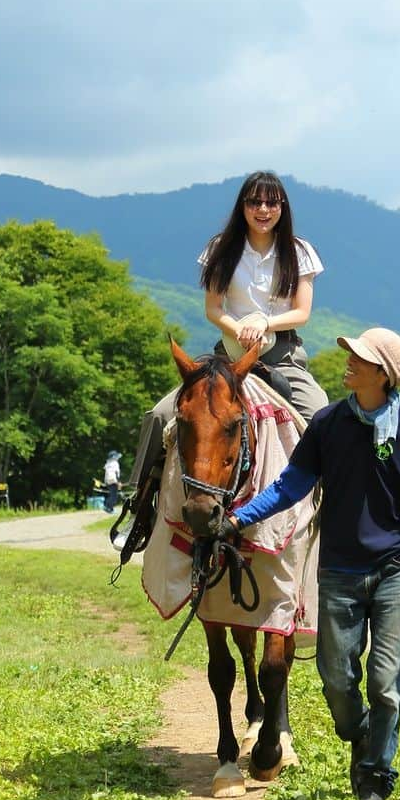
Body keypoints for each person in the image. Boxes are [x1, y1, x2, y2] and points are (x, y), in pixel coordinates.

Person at [229, 327, 400, 800]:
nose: (348, 362)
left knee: (386, 684)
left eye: (359, 357)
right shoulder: (328, 424)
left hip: (395, 569)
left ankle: (374, 777)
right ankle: (359, 732)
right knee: (336, 678)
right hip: (337, 570)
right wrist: (238, 517)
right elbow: (290, 486)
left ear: (383, 373)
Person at [114, 171, 328, 553]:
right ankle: (139, 506)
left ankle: (332, 517)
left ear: (283, 207)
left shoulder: (299, 251)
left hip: (281, 355)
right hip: (227, 353)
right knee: (162, 415)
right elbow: (213, 308)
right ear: (242, 206)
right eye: (254, 202)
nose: (263, 210)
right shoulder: (221, 248)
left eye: (271, 202)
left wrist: (264, 321)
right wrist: (239, 327)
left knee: (320, 414)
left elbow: (302, 312)